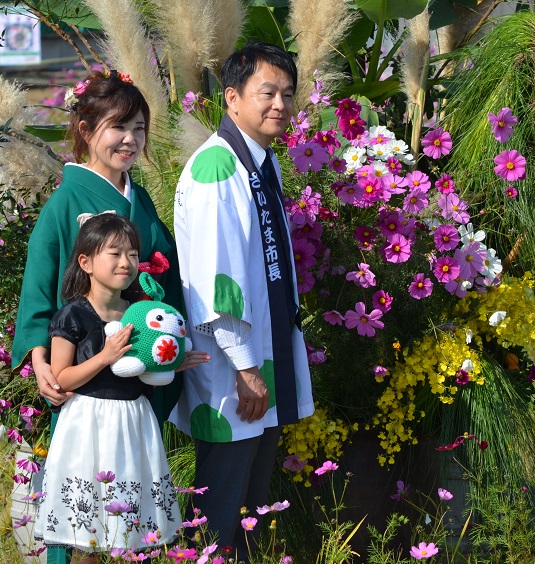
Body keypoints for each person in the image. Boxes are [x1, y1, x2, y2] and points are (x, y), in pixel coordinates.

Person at [11, 69, 198, 564]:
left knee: (127, 490)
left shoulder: (142, 200)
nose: (130, 139)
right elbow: (39, 282)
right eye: (118, 126)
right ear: (85, 128)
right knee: (82, 489)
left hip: (135, 363)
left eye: (139, 128)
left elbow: (167, 273)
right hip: (84, 362)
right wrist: (40, 359)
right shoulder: (66, 200)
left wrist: (169, 342)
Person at [171, 41, 314, 553]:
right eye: (267, 92)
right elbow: (217, 282)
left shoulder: (259, 160)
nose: (280, 104)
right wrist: (247, 367)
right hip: (236, 369)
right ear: (232, 98)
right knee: (221, 504)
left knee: (251, 505)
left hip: (259, 361)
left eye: (288, 94)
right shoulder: (218, 168)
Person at [34, 214, 197, 562]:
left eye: (134, 254)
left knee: (131, 528)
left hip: (133, 421)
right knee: (90, 529)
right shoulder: (72, 315)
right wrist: (105, 356)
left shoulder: (138, 313)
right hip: (88, 424)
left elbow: (143, 366)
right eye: (115, 253)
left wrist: (170, 362)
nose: (127, 262)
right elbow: (62, 378)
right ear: (86, 262)